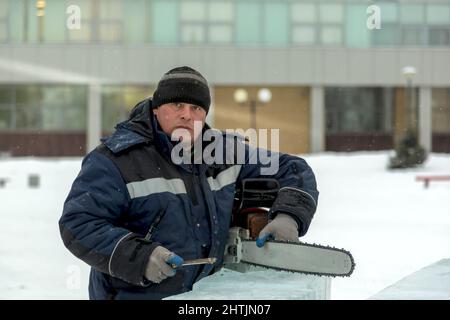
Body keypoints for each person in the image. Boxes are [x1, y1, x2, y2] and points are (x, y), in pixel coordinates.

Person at [59, 66, 319, 300]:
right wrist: (140, 257)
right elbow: (78, 223)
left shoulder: (224, 153)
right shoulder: (115, 160)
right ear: (157, 107)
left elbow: (294, 168)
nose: (187, 115)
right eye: (177, 105)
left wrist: (289, 216)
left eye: (196, 108)